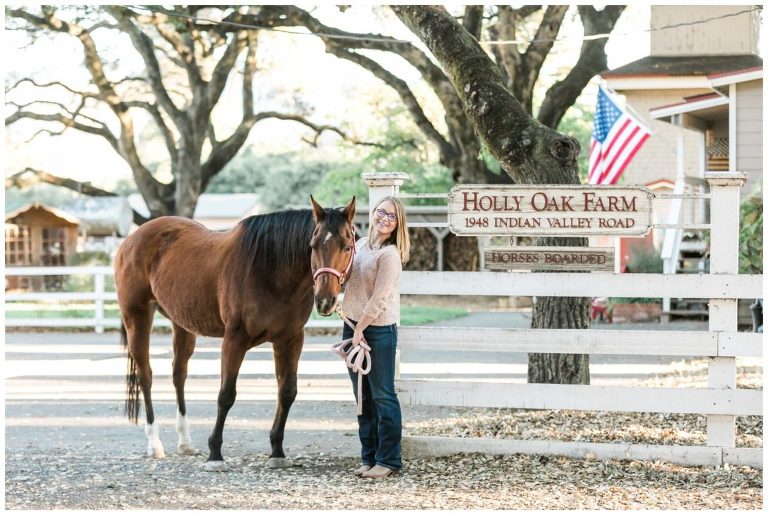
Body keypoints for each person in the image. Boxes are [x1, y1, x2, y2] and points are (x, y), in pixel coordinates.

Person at [341, 195, 410, 479]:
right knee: (362, 397)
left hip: (377, 330)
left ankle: (389, 460)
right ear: (374, 213)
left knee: (382, 395)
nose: (384, 217)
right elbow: (346, 280)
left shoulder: (390, 256)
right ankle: (368, 457)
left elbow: (380, 298)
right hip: (351, 327)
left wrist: (361, 329)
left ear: (397, 225)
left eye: (391, 216)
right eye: (382, 211)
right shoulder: (358, 246)